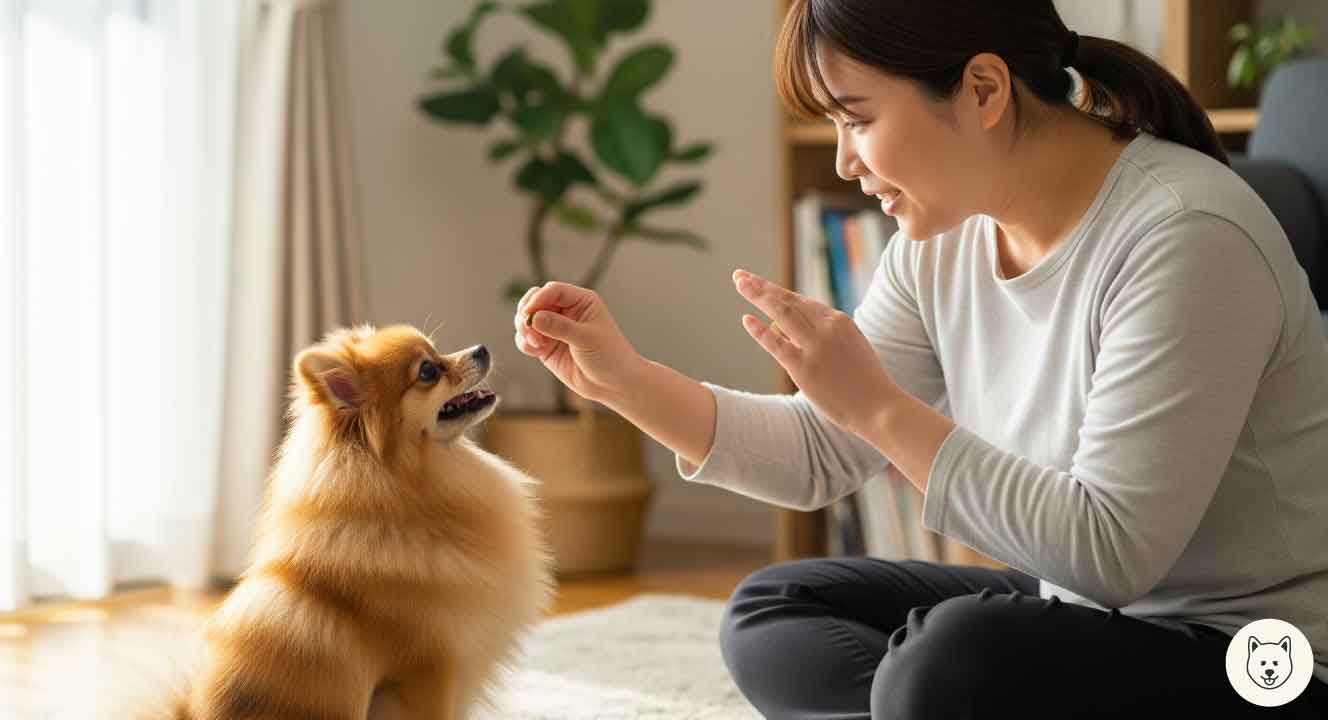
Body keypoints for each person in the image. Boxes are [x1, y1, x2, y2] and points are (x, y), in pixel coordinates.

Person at [512, 0, 1328, 717]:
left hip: (1266, 662)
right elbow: (815, 454)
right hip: (1087, 621)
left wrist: (878, 407)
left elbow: (1109, 554)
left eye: (858, 118)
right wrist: (627, 382)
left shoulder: (1186, 235)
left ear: (983, 89)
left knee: (951, 660)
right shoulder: (947, 238)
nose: (844, 162)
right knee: (777, 607)